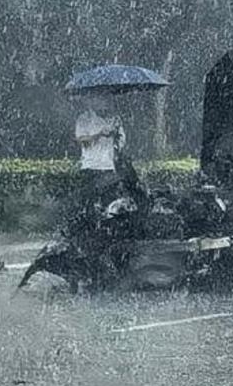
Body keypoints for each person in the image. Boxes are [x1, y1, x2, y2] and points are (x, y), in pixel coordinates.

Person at [18, 94, 149, 292]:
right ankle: (84, 249)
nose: (102, 102)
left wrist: (115, 135)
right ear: (92, 101)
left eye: (104, 100)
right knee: (89, 209)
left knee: (110, 209)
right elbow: (82, 140)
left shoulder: (115, 119)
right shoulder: (84, 119)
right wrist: (100, 133)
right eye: (98, 100)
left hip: (109, 168)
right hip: (91, 168)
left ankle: (108, 247)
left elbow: (122, 143)